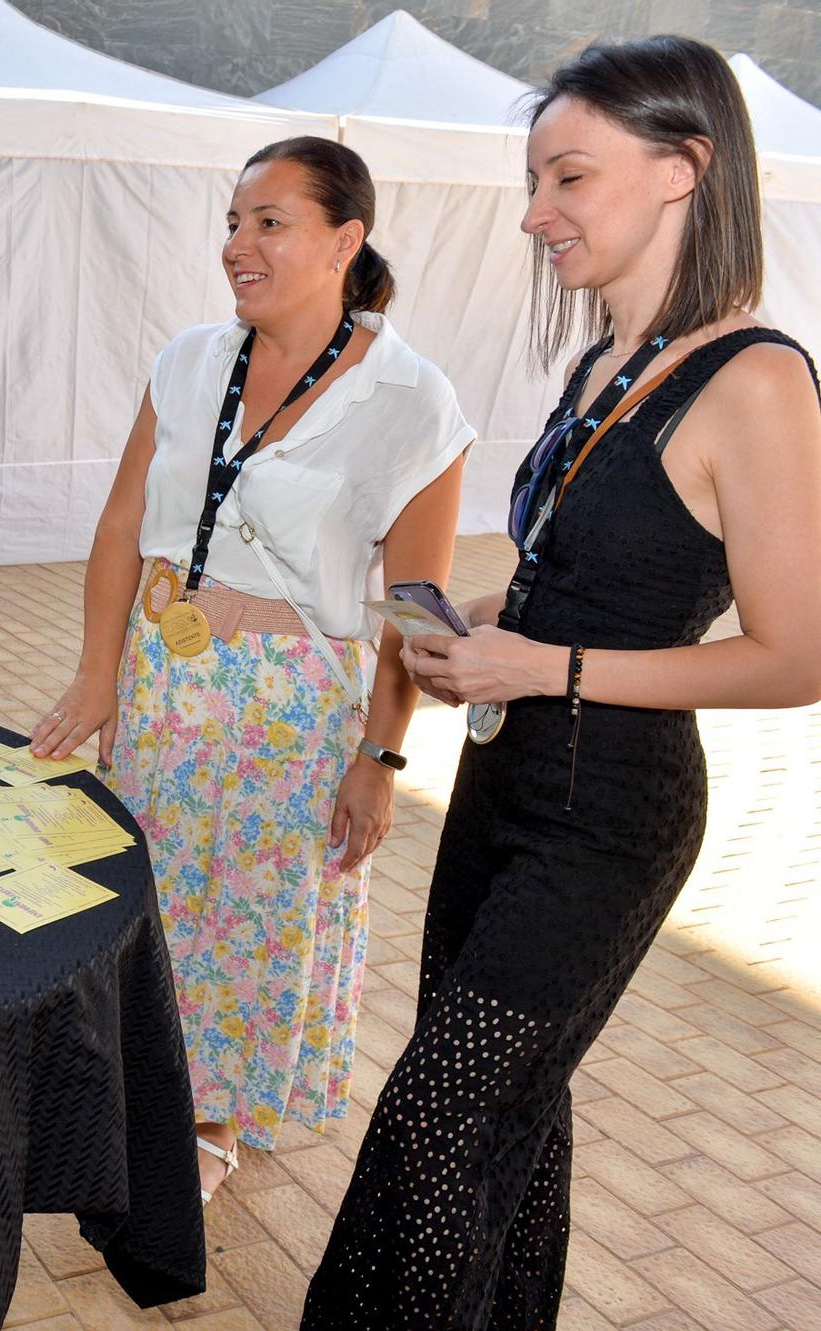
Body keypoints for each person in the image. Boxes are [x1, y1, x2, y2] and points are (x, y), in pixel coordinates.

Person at [303, 35, 821, 1330]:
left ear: (683, 171)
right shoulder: (603, 362)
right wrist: (470, 620)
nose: (536, 213)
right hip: (505, 773)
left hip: (610, 815)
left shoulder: (757, 381)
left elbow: (798, 651)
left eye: (569, 178)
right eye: (536, 178)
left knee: (435, 1119)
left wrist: (545, 661)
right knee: (504, 1108)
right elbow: (579, 576)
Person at [31, 137, 473, 1204]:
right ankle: (137, 1084)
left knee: (257, 910)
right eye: (232, 222)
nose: (237, 245)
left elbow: (412, 610)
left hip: (289, 706)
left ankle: (214, 1115)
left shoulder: (412, 404)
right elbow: (122, 523)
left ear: (343, 239)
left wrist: (378, 754)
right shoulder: (187, 359)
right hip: (163, 676)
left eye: (267, 221)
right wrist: (98, 676)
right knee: (149, 891)